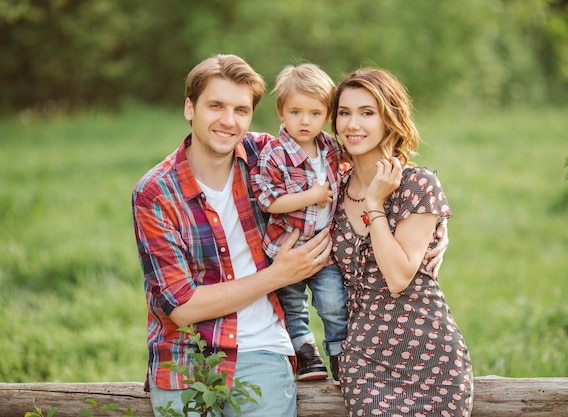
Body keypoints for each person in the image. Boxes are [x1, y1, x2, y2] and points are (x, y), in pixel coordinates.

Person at [131, 54, 333, 417]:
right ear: (189, 108)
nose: (228, 121)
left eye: (241, 109)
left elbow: (343, 162)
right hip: (184, 359)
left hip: (263, 351)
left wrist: (423, 213)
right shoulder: (155, 193)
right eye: (216, 106)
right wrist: (277, 276)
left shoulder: (267, 156)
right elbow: (182, 308)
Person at [329, 68, 473, 416]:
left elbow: (398, 277)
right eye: (344, 113)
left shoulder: (417, 185)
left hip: (431, 356)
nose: (352, 124)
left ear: (388, 118)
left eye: (367, 113)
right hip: (363, 360)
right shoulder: (331, 188)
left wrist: (376, 204)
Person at [250, 63, 347, 384]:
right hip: (285, 249)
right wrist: (313, 195)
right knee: (293, 306)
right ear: (281, 112)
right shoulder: (273, 155)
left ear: (327, 115)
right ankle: (307, 358)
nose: (305, 121)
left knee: (334, 303)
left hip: (323, 248)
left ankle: (340, 356)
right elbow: (269, 201)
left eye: (315, 113)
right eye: (295, 112)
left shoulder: (330, 148)